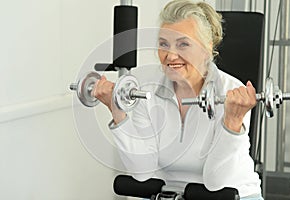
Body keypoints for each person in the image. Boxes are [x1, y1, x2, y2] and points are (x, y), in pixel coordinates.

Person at [93, 0, 263, 199]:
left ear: (206, 47)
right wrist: (117, 111)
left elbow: (216, 181)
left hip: (230, 194)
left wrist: (232, 122)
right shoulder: (143, 88)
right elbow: (142, 172)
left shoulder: (232, 92)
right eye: (164, 44)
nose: (170, 56)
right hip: (169, 194)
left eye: (183, 44)